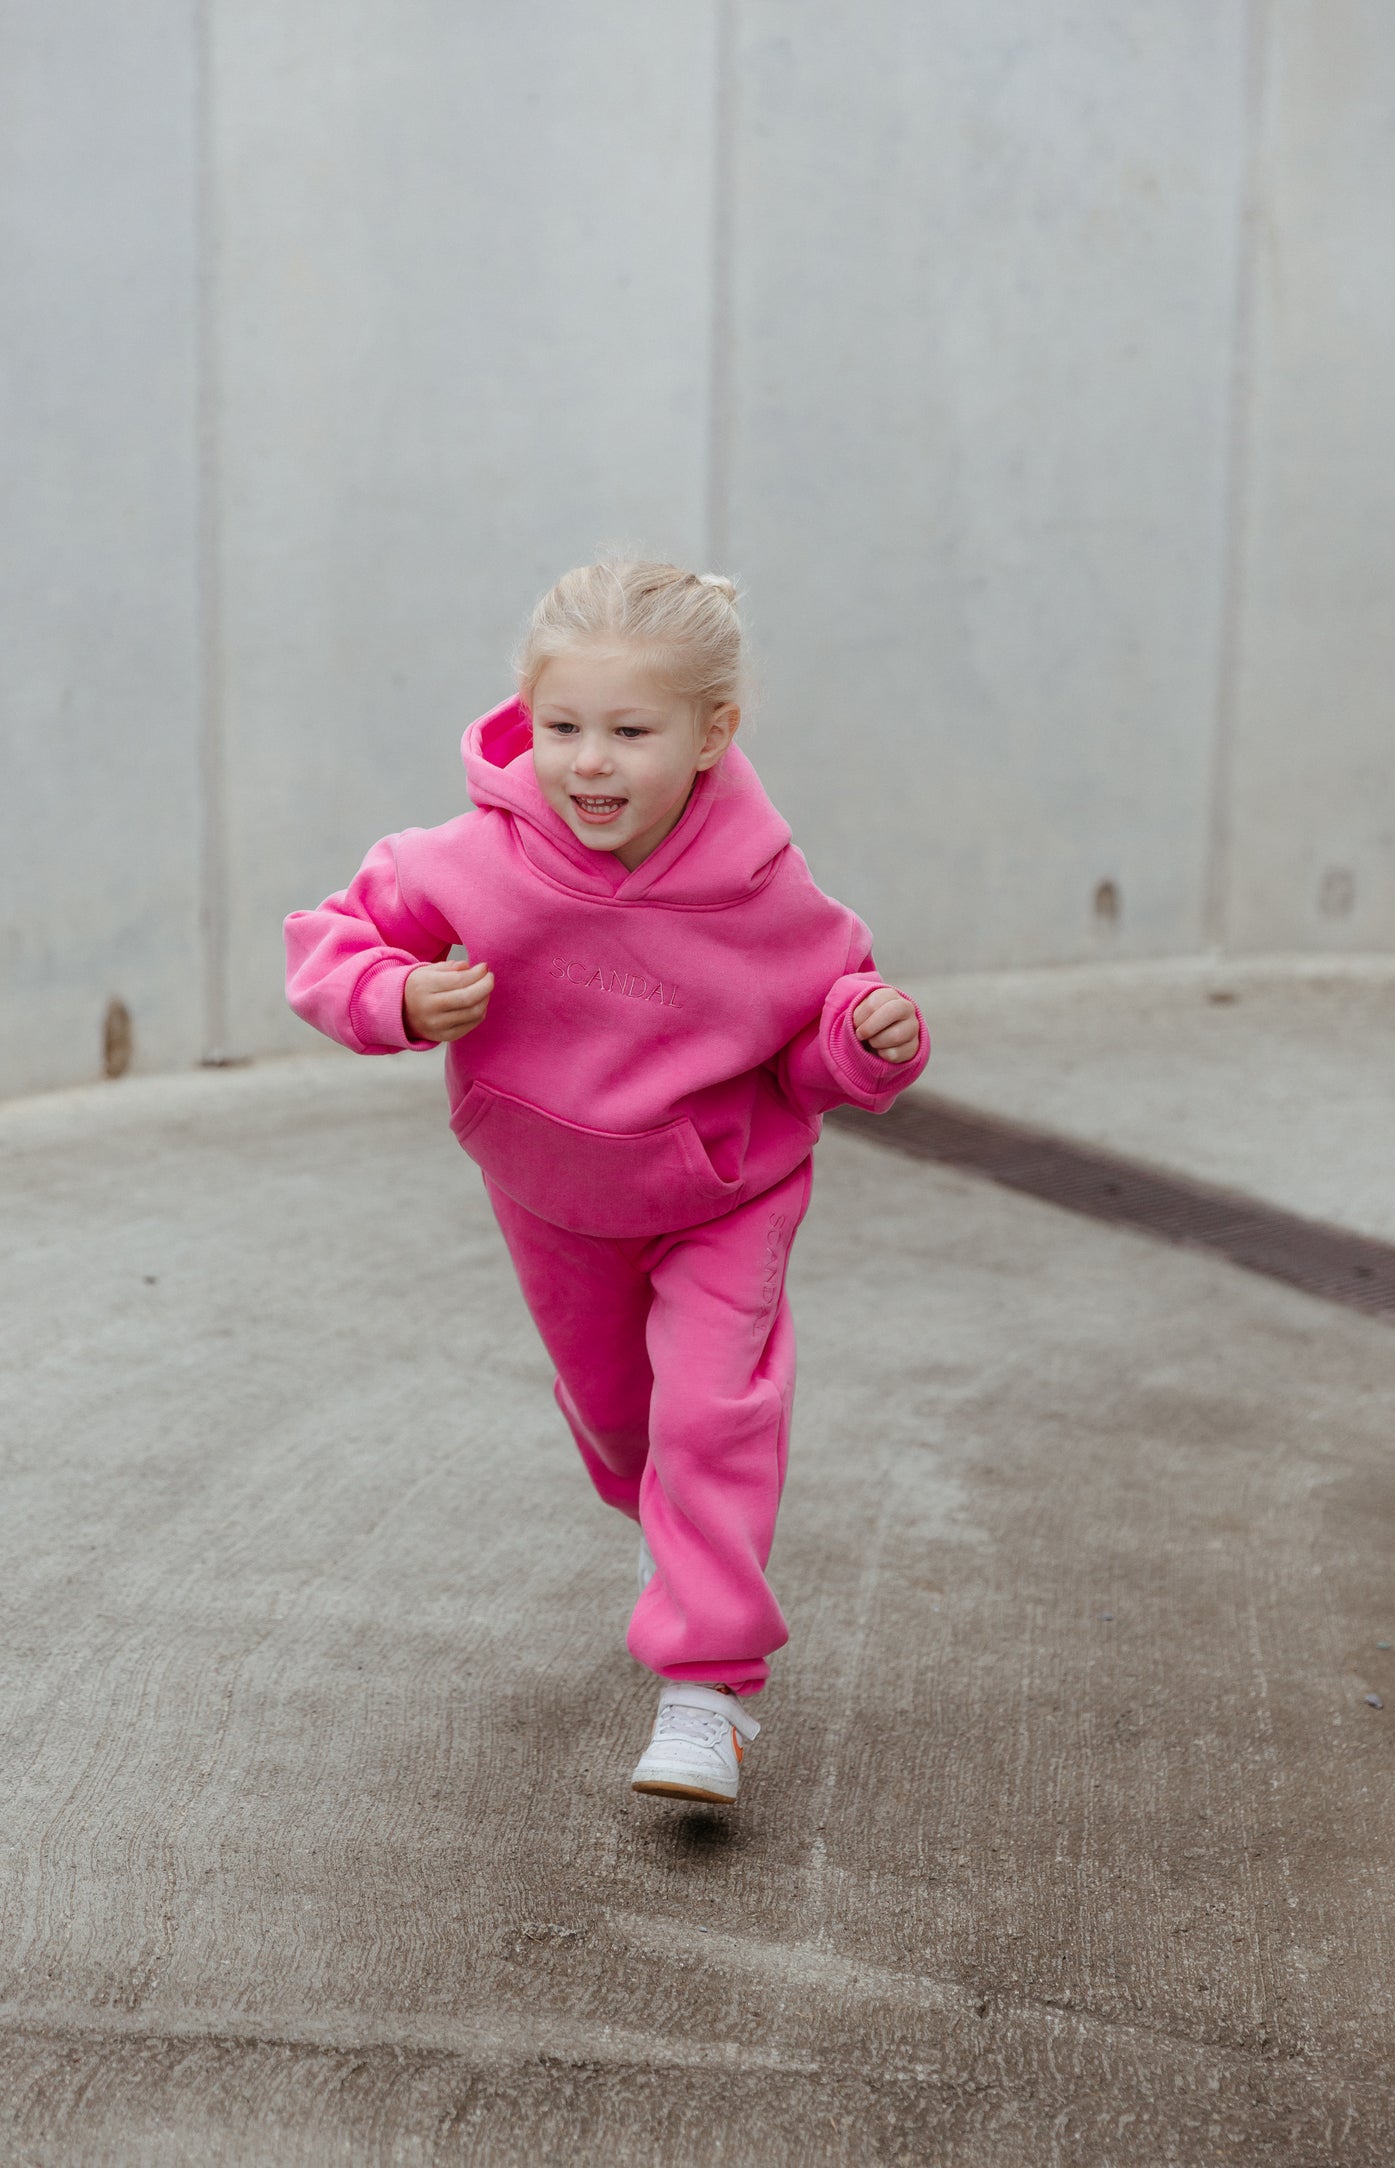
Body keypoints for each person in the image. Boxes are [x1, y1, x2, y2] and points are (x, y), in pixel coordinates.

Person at [284, 559, 929, 1805]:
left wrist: (863, 1038)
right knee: (627, 1430)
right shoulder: (469, 856)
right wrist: (397, 995)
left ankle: (708, 1690)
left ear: (710, 734)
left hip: (721, 1196)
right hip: (551, 1190)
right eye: (563, 726)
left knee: (707, 1420)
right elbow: (331, 940)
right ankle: (675, 1540)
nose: (589, 762)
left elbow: (813, 1047)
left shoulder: (766, 890)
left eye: (630, 732)